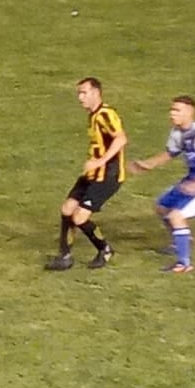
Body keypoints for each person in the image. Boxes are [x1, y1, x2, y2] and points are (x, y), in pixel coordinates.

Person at [129, 96, 195, 274]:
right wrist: (148, 164)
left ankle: (184, 263)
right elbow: (170, 153)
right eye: (172, 110)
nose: (172, 114)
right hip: (192, 180)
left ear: (190, 112)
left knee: (176, 216)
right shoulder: (177, 132)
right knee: (161, 207)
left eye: (177, 110)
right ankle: (180, 239)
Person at [46, 77, 127, 271]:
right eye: (79, 93)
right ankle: (65, 256)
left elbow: (121, 139)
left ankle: (105, 249)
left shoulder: (106, 114)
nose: (80, 97)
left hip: (107, 177)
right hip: (92, 174)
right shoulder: (92, 115)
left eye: (84, 92)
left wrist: (100, 161)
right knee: (67, 209)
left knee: (79, 218)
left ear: (96, 93)